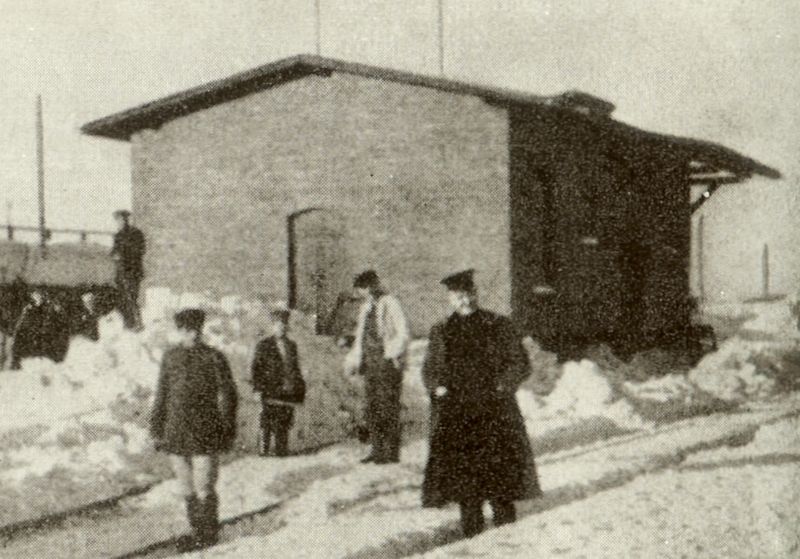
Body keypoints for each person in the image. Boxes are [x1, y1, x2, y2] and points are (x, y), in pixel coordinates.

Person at [421, 269, 541, 538]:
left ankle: (507, 534)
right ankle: (472, 534)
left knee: (499, 475)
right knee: (465, 479)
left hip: (493, 411)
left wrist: (503, 385)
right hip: (457, 413)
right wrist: (435, 387)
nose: (465, 301)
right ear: (450, 299)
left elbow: (520, 363)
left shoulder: (498, 324)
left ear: (476, 294)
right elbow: (429, 368)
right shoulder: (441, 330)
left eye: (469, 294)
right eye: (459, 296)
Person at [150, 309, 238, 551]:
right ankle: (197, 531)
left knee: (205, 485)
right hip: (176, 429)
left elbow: (229, 396)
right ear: (179, 332)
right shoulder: (170, 357)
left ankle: (208, 533)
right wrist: (156, 428)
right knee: (185, 486)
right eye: (187, 330)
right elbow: (162, 394)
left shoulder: (214, 357)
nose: (193, 335)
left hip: (205, 429)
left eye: (196, 330)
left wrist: (227, 428)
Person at [345, 270, 410, 464]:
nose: (362, 293)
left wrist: (390, 353)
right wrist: (356, 359)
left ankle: (390, 452)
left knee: (387, 407)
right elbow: (360, 337)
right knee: (372, 407)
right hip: (370, 364)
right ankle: (377, 449)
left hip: (387, 363)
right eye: (360, 290)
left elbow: (403, 332)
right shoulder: (365, 309)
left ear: (372, 286)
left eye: (364, 288)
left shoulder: (391, 303)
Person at [250, 307, 306, 457]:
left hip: (287, 388)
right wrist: (257, 389)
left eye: (284, 324)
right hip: (270, 389)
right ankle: (264, 450)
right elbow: (257, 368)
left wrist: (299, 389)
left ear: (287, 326)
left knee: (284, 419)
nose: (281, 328)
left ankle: (281, 450)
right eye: (278, 325)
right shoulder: (264, 345)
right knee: (267, 420)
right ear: (272, 326)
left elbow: (295, 367)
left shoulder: (291, 346)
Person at [110, 209, 146, 330]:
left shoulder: (136, 233)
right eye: (118, 220)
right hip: (121, 273)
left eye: (122, 219)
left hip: (133, 272)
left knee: (131, 297)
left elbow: (140, 250)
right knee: (122, 299)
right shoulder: (118, 235)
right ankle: (128, 324)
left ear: (127, 219)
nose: (120, 222)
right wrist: (114, 255)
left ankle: (138, 323)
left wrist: (124, 253)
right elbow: (114, 251)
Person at [10, 288, 63, 369]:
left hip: (44, 343)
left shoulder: (49, 310)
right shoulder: (28, 309)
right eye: (36, 297)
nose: (39, 299)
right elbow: (20, 327)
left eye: (41, 297)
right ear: (33, 298)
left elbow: (55, 324)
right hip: (31, 342)